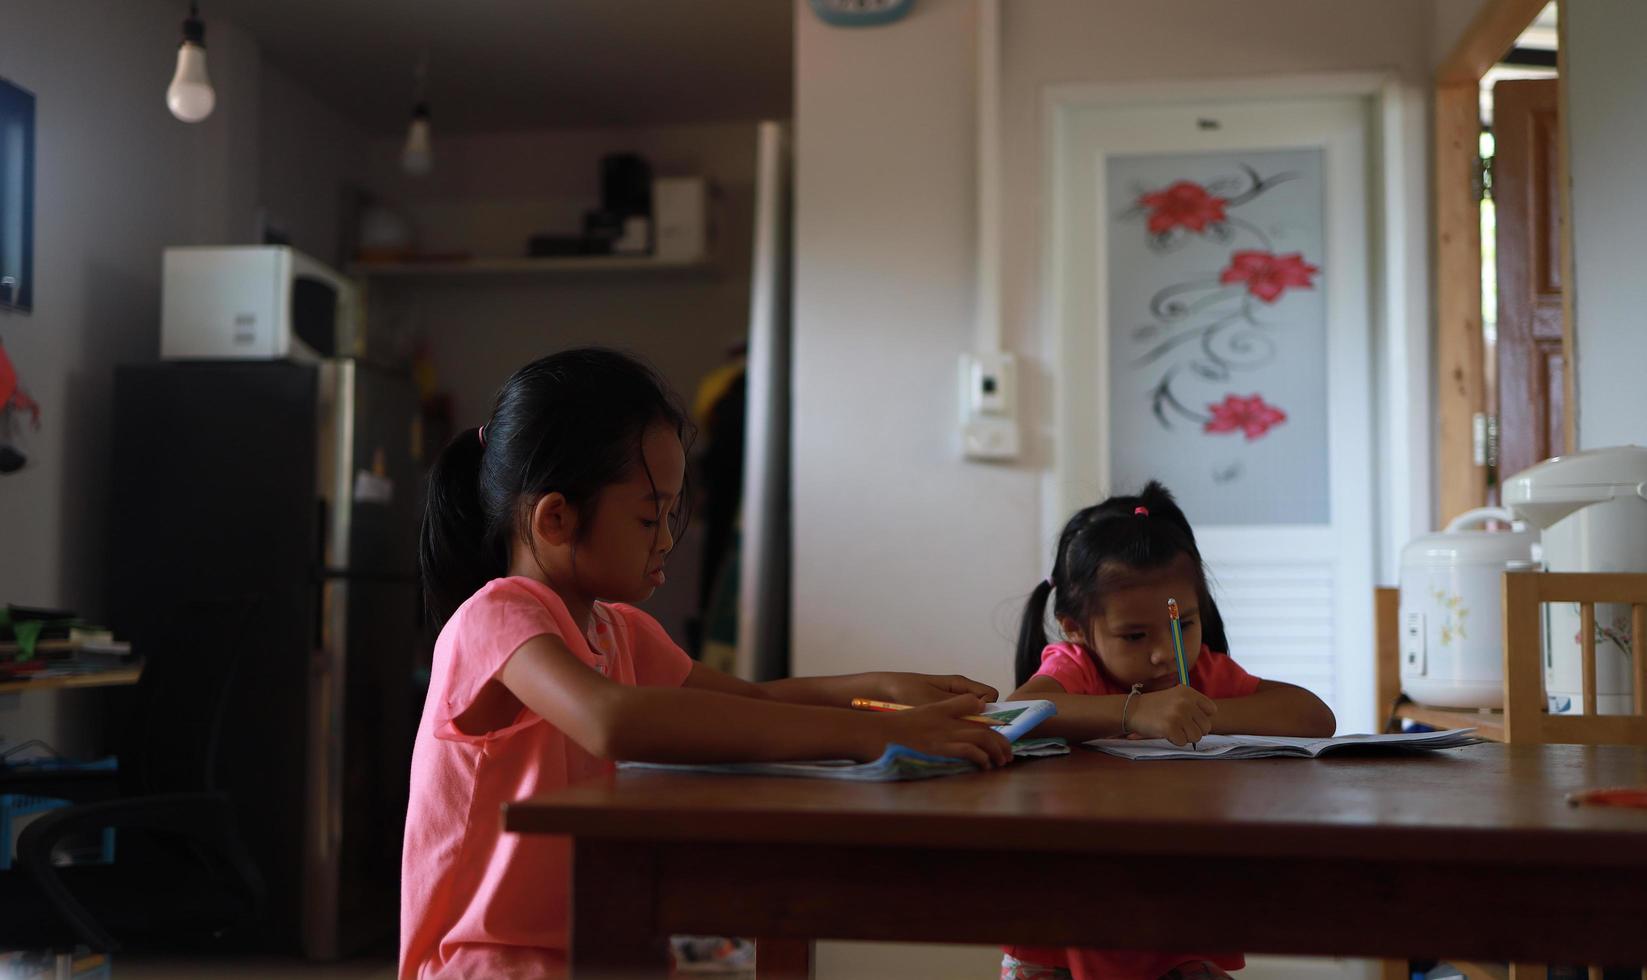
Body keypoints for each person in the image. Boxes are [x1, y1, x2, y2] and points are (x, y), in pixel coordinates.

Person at [400, 347, 1010, 979]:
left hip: (604, 942)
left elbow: (754, 703)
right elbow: (611, 720)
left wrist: (875, 689)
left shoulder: (620, 630)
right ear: (556, 518)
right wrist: (876, 735)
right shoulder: (495, 616)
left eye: (671, 513)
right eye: (648, 516)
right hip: (491, 963)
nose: (667, 537)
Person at [1000, 480, 1335, 980]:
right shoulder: (1077, 667)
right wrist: (1135, 711)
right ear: (1074, 627)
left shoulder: (1202, 677)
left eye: (1184, 625)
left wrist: (1203, 711)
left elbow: (1314, 717)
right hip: (1066, 930)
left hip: (1175, 914)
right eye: (1134, 635)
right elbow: (1019, 713)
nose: (1163, 652)